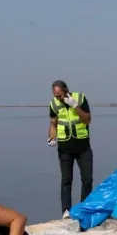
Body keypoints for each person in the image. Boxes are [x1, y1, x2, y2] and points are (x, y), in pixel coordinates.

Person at [47, 80, 93, 218]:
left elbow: (87, 119)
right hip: (64, 148)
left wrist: (75, 106)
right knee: (66, 180)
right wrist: (51, 137)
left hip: (83, 147)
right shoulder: (54, 104)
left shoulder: (80, 98)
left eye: (60, 96)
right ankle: (66, 211)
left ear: (66, 90)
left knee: (87, 179)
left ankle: (84, 208)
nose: (58, 99)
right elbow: (53, 124)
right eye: (56, 96)